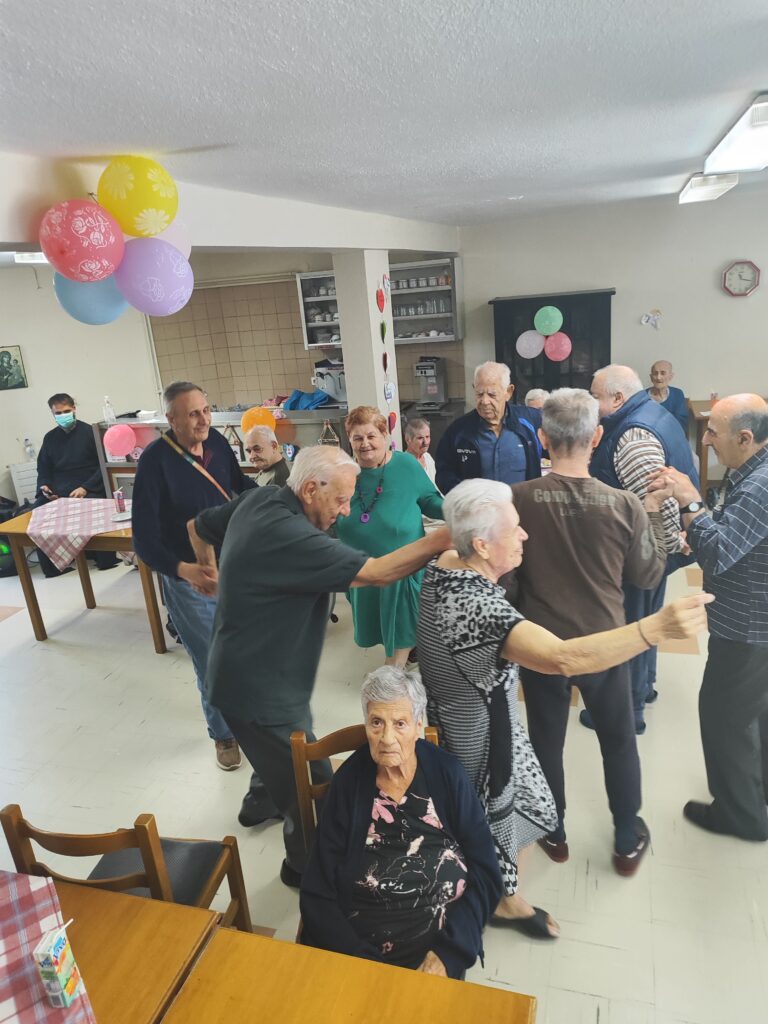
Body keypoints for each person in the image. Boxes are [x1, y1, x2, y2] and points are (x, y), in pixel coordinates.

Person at [417, 479, 712, 937]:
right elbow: (562, 658)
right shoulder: (477, 607)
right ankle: (499, 902)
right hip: (478, 735)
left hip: (465, 714)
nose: (525, 535)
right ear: (481, 544)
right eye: (514, 529)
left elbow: (446, 539)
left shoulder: (448, 561)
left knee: (520, 803)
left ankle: (502, 883)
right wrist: (654, 629)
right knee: (498, 817)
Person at [187, 445, 452, 886]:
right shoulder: (293, 536)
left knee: (277, 753)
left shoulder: (261, 498)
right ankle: (304, 869)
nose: (345, 511)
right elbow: (378, 573)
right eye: (341, 500)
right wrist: (442, 539)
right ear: (310, 489)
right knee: (314, 789)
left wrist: (208, 570)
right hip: (259, 690)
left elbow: (197, 526)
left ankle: (260, 801)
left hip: (248, 671)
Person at [512, 389, 668, 868]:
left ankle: (553, 830)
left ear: (543, 438)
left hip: (541, 644)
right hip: (606, 643)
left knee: (545, 739)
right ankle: (626, 836)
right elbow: (648, 575)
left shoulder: (517, 499)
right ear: (597, 436)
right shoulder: (625, 504)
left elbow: (507, 578)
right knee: (618, 739)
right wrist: (655, 512)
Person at [300, 668, 502, 979]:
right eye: (376, 722)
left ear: (419, 725)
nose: (387, 739)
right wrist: (362, 962)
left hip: (439, 951)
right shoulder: (349, 783)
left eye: (400, 723)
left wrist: (449, 954)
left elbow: (487, 874)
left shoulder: (448, 774)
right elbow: (317, 889)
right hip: (361, 952)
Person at [648, 395, 768, 841]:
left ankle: (741, 817)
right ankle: (755, 794)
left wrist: (690, 503)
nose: (706, 439)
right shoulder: (749, 473)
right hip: (753, 621)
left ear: (745, 437)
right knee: (753, 712)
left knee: (724, 716)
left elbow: (717, 554)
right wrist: (699, 529)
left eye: (714, 432)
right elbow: (730, 535)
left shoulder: (759, 487)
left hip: (748, 627)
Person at [132, 381, 255, 773]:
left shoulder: (216, 442)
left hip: (232, 567)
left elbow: (238, 486)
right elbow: (144, 541)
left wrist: (279, 497)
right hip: (190, 581)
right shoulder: (154, 463)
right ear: (171, 420)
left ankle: (250, 716)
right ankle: (224, 734)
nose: (204, 420)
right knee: (212, 660)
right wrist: (184, 571)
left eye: (206, 410)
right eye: (193, 414)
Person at [588, 364, 699, 732]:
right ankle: (644, 687)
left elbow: (658, 504)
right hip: (658, 551)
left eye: (596, 397)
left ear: (618, 398)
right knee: (648, 621)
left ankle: (628, 710)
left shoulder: (633, 437)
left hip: (645, 552)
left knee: (631, 628)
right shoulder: (653, 413)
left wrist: (659, 554)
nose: (592, 404)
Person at [335, 407, 443, 668]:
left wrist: (460, 511)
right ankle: (406, 660)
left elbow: (430, 501)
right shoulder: (342, 473)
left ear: (385, 435)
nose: (365, 444)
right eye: (358, 438)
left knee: (400, 634)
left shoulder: (406, 465)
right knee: (383, 629)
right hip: (361, 570)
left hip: (402, 569)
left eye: (371, 436)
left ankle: (389, 683)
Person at [35, 392, 118, 578]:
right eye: (58, 413)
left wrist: (85, 488)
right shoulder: (50, 438)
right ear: (52, 414)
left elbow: (103, 466)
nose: (62, 415)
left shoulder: (90, 433)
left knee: (94, 506)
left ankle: (105, 559)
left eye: (66, 411)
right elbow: (43, 468)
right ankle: (53, 568)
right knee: (38, 511)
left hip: (88, 485)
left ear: (74, 409)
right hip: (59, 487)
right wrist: (45, 487)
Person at [435, 361, 541, 494]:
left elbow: (560, 453)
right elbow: (444, 473)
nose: (484, 401)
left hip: (522, 506)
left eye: (492, 395)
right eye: (479, 394)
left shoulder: (531, 421)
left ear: (508, 392)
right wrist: (465, 498)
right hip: (476, 506)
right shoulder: (458, 431)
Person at [647, 360, 688, 435]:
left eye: (663, 373)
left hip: (672, 437)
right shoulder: (642, 397)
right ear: (651, 377)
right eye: (655, 373)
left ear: (671, 376)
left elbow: (681, 423)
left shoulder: (677, 394)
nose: (658, 377)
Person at [404, 418, 437, 484]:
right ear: (408, 440)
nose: (425, 442)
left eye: (427, 437)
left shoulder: (428, 457)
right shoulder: (403, 464)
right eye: (420, 438)